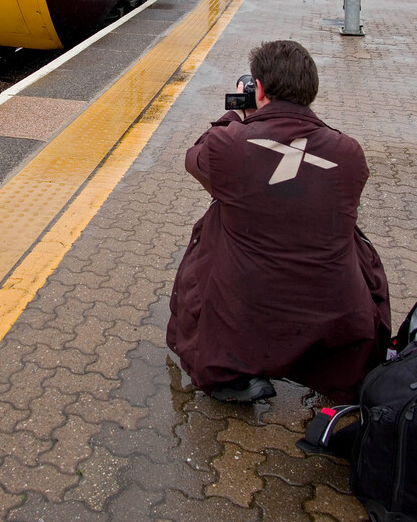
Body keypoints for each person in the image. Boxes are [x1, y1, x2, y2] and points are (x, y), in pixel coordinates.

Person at [167, 40, 390, 404]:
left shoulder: (229, 144)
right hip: (336, 311)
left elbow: (195, 158)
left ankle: (231, 373)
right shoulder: (349, 153)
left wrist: (236, 117)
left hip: (246, 303)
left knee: (215, 226)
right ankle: (333, 373)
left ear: (259, 89)